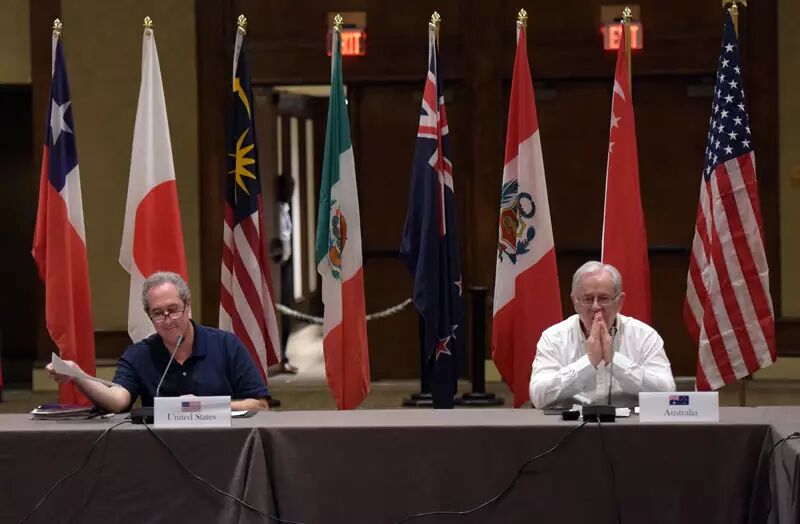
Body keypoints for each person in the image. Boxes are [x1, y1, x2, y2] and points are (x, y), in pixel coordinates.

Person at [46, 271, 270, 413]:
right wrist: (77, 375)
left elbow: (260, 405)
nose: (168, 320)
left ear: (188, 307)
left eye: (174, 310)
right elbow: (117, 401)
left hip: (223, 448)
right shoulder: (138, 355)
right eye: (158, 313)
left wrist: (203, 406)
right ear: (149, 315)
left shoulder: (226, 345)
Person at [529, 261, 675, 409]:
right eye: (587, 299)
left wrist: (615, 360)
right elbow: (538, 397)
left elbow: (667, 393)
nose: (596, 307)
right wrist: (588, 362)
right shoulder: (553, 337)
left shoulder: (644, 336)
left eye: (604, 298)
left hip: (630, 422)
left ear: (620, 302)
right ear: (574, 301)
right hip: (571, 423)